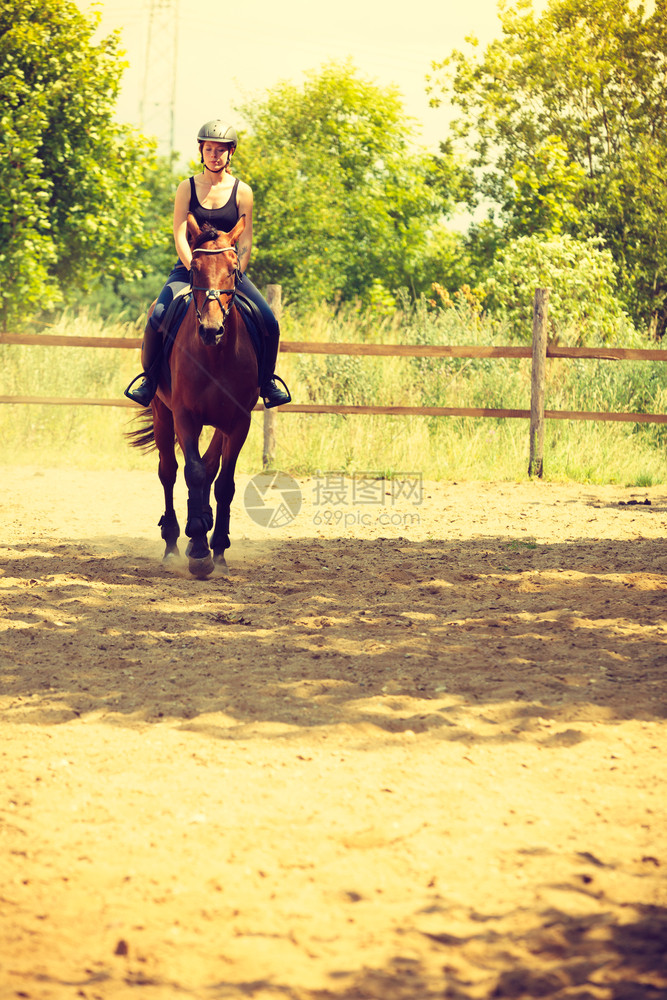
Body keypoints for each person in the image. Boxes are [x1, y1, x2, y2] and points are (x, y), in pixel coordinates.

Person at [125, 119, 291, 408]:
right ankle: (149, 380)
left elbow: (246, 241)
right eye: (209, 149)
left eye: (221, 150)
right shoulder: (186, 187)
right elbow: (179, 233)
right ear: (201, 151)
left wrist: (236, 271)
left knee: (269, 322)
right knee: (158, 315)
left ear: (231, 153)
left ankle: (267, 382)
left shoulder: (242, 191)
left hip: (228, 274)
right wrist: (193, 269)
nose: (215, 155)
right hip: (189, 270)